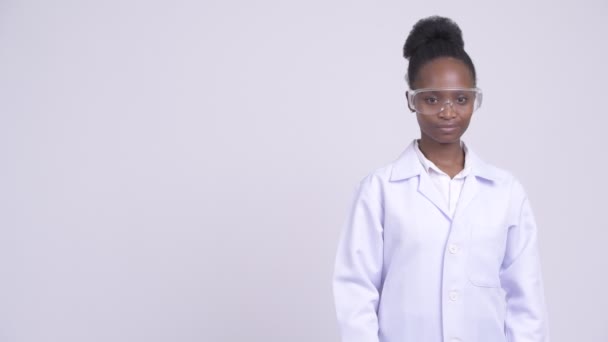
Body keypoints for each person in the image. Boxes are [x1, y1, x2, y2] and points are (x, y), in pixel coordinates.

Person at [332, 16, 549, 342]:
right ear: (412, 100)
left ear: (475, 100)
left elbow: (526, 298)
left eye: (460, 99)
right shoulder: (379, 190)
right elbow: (356, 292)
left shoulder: (506, 192)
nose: (448, 112)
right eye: (432, 99)